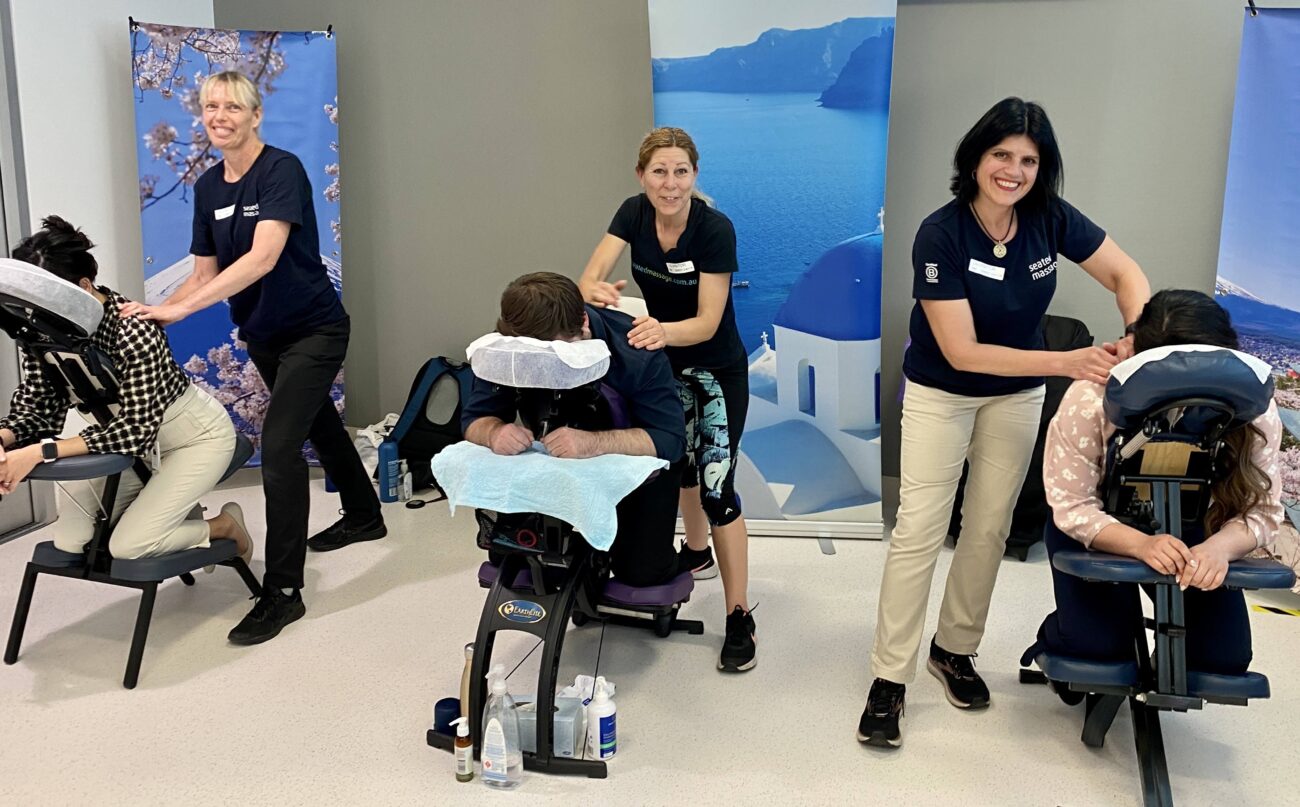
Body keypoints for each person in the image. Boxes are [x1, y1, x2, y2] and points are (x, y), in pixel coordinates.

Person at [858, 97, 1151, 748]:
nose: (1013, 170)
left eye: (1028, 159)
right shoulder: (941, 233)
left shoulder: (1049, 219)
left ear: (1040, 170)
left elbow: (1125, 271)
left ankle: (953, 649)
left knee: (988, 527)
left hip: (1015, 395)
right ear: (977, 157)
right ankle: (889, 677)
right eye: (1001, 155)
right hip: (943, 390)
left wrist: (1138, 332)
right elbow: (961, 350)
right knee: (919, 529)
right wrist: (1067, 361)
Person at [118, 71, 383, 645]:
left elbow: (263, 258)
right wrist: (153, 308)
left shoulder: (280, 170)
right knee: (318, 424)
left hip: (315, 329)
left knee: (281, 447)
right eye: (210, 105)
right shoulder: (210, 187)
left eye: (231, 106)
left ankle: (283, 593)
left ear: (254, 115)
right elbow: (203, 273)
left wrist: (180, 314)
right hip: (262, 334)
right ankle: (366, 514)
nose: (219, 115)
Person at [1028, 289, 1282, 686]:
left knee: (1221, 661)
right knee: (1099, 653)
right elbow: (1071, 505)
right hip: (1098, 527)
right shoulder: (1090, 398)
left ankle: (1143, 645)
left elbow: (1264, 510)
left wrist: (1219, 549)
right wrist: (1141, 545)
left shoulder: (1253, 408)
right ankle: (1060, 633)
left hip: (1196, 532)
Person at [578, 126, 757, 673]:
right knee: (675, 466)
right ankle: (696, 554)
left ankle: (738, 615)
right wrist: (597, 291)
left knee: (716, 486)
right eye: (659, 171)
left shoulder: (714, 229)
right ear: (641, 176)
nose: (670, 182)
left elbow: (705, 323)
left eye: (681, 171)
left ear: (694, 176)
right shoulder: (632, 213)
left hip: (714, 366)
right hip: (661, 367)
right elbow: (588, 277)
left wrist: (657, 330)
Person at [0, 215, 253, 567]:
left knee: (129, 546)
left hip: (194, 438)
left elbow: (134, 430)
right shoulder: (42, 334)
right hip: (132, 446)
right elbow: (38, 406)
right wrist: (5, 438)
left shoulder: (132, 328)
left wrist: (39, 452)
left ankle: (224, 526)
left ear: (85, 286)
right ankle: (168, 517)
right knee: (71, 540)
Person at [462, 272, 687, 587]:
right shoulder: (509, 350)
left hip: (633, 468)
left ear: (582, 323)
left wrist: (592, 444)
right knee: (518, 565)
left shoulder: (635, 350)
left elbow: (669, 440)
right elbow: (475, 419)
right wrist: (494, 433)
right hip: (552, 465)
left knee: (642, 574)